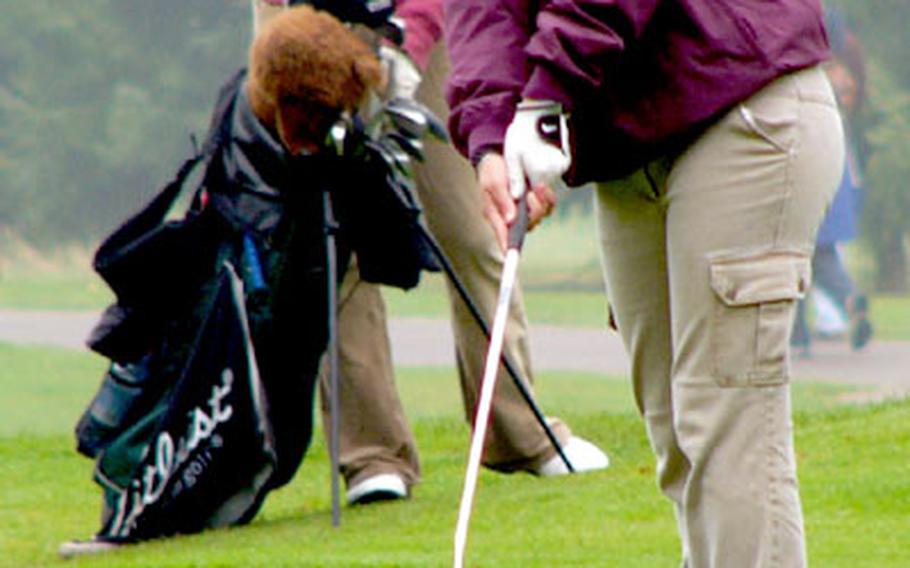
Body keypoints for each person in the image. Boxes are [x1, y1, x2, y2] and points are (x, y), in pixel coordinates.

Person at [444, 2, 843, 566]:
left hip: (741, 101)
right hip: (629, 148)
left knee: (725, 423)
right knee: (676, 430)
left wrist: (544, 95)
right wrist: (489, 135)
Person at [252, 0, 609, 507]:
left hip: (424, 22)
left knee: (472, 229)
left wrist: (405, 44)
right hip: (303, 22)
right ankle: (372, 457)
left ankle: (517, 433)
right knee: (334, 241)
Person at [791, 9, 873, 356]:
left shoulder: (810, 76)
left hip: (807, 164)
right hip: (836, 166)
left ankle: (798, 335)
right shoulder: (844, 75)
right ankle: (848, 300)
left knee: (794, 249)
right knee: (818, 253)